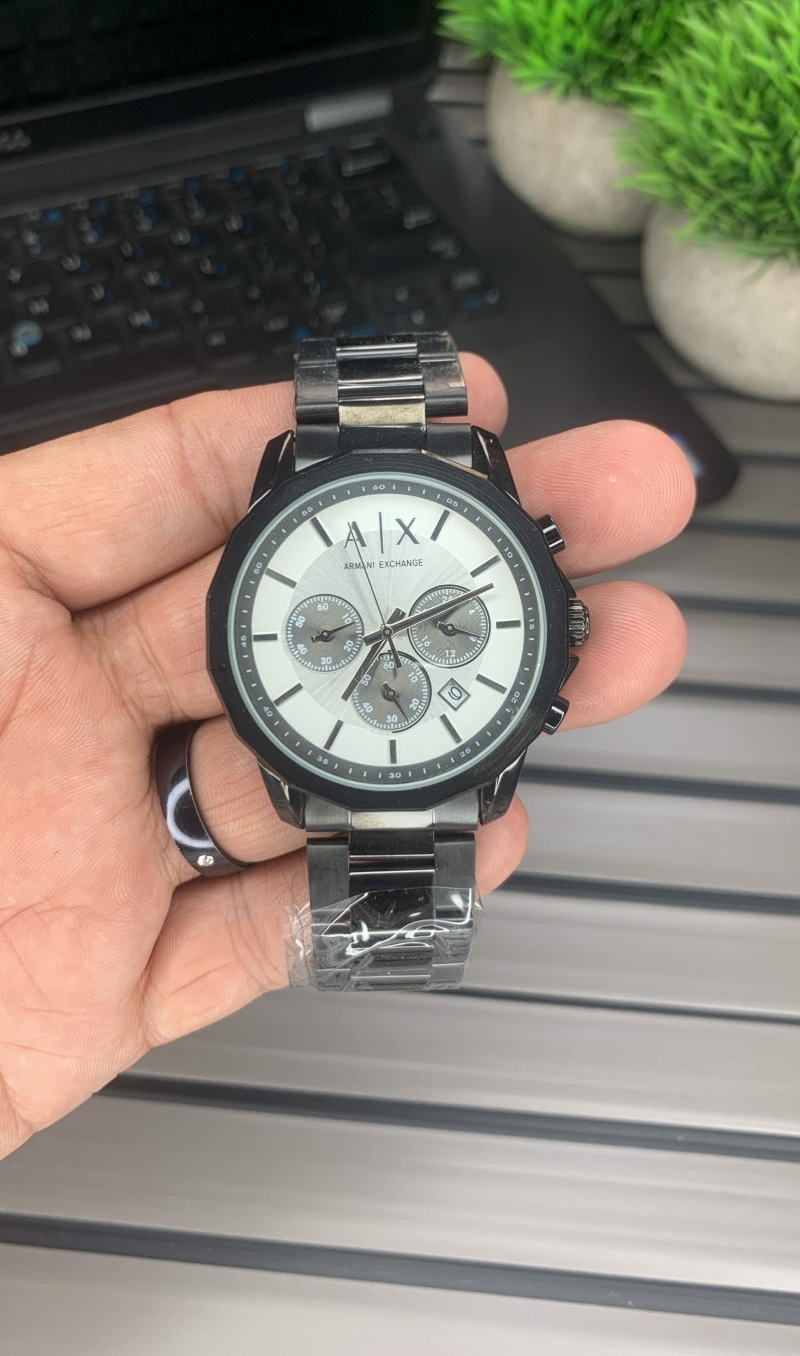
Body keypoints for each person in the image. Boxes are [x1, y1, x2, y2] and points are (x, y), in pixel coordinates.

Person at [0, 357, 694, 1160]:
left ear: (560, 622)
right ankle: (392, 958)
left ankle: (396, 955)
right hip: (341, 758)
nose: (393, 632)